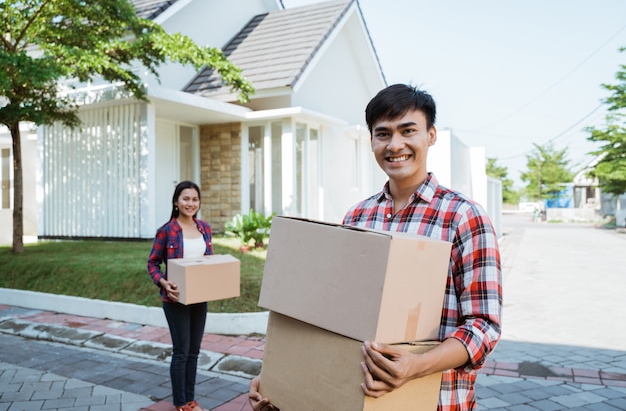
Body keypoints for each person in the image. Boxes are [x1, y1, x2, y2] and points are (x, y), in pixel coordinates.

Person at [249, 84, 502, 411]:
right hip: (357, 399)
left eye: (408, 131)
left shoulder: (464, 217)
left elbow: (484, 327)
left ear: (431, 135)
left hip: (436, 402)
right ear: (371, 141)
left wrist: (415, 365)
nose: (395, 145)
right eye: (383, 134)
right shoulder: (358, 216)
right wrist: (280, 379)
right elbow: (332, 313)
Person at [147, 180, 213, 411]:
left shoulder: (204, 228)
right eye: (186, 198)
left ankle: (190, 400)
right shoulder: (166, 231)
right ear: (176, 201)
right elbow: (153, 264)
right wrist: (164, 283)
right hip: (175, 300)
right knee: (182, 352)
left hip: (199, 297)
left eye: (194, 199)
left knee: (194, 352)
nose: (190, 203)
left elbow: (209, 262)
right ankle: (181, 403)